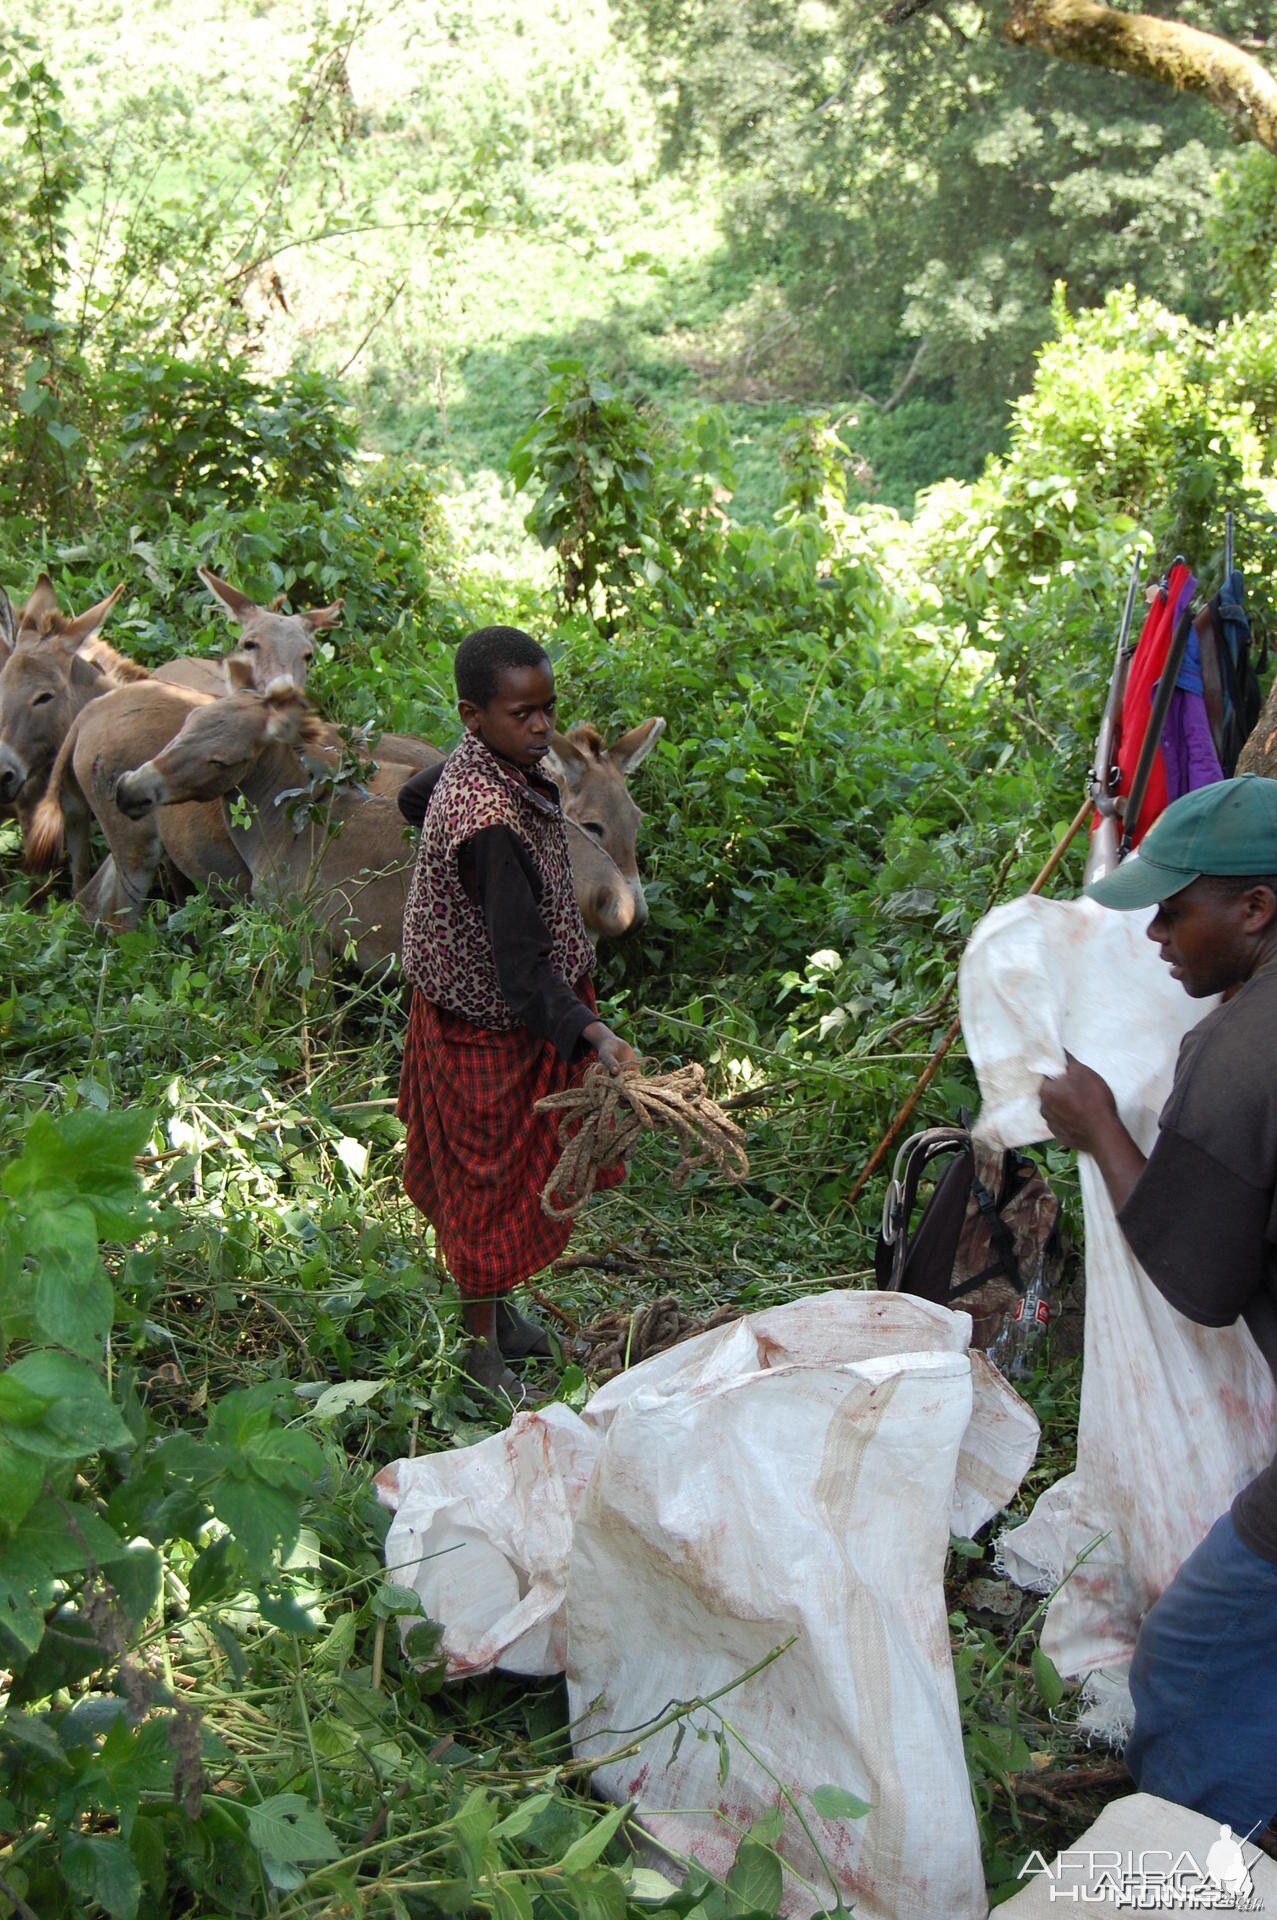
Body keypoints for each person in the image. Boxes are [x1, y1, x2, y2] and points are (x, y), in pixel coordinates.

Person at [1039, 773, 1277, 1839]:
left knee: (1184, 1662)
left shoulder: (1240, 1053)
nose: (1152, 935)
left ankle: (1203, 1861)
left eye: (1173, 909)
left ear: (1255, 908)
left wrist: (1097, 1127)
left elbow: (1200, 1280)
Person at [396, 625, 635, 1397]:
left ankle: (498, 1319)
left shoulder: (473, 769)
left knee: (491, 1181)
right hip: (488, 1024)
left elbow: (411, 795)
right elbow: (524, 973)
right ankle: (477, 1355)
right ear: (473, 715)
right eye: (520, 715)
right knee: (486, 1186)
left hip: (481, 1004)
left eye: (545, 711)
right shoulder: (490, 826)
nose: (538, 729)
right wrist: (594, 1034)